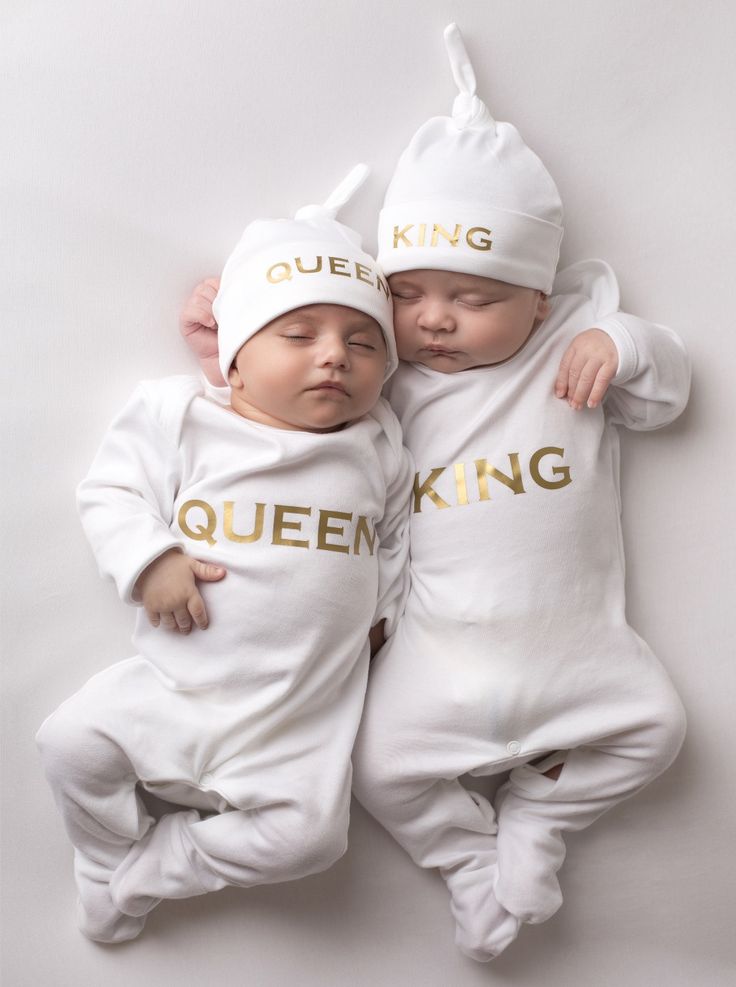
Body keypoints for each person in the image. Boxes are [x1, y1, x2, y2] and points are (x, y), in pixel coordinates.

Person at [181, 26, 690, 962]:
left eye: (474, 296)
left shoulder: (571, 340)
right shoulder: (384, 379)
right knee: (375, 770)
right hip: (437, 652)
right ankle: (464, 859)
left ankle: (539, 816)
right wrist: (232, 327)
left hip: (575, 643)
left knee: (659, 731)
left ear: (539, 299)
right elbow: (289, 405)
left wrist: (623, 347)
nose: (436, 320)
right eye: (409, 294)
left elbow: (668, 394)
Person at [36, 166, 412, 944]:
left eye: (364, 342)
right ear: (234, 361)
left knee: (311, 839)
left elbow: (401, 534)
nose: (335, 356)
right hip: (175, 685)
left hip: (298, 716)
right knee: (71, 741)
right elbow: (110, 488)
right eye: (299, 335)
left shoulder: (377, 445)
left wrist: (386, 611)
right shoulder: (184, 415)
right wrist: (150, 558)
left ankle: (156, 864)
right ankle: (106, 852)